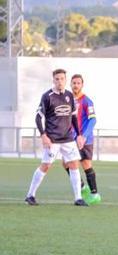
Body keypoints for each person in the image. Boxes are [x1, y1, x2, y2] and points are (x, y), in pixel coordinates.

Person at [25, 68, 86, 207]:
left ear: (66, 80)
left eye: (62, 79)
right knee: (45, 166)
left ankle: (78, 198)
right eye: (57, 79)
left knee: (74, 165)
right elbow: (38, 118)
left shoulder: (70, 96)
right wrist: (43, 135)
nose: (60, 81)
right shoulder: (47, 96)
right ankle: (30, 195)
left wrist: (79, 135)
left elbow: (74, 117)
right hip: (53, 139)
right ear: (53, 80)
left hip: (68, 139)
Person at [70, 74, 101, 204]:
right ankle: (82, 187)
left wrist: (83, 136)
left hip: (84, 139)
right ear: (70, 84)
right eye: (74, 83)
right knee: (67, 163)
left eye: (78, 83)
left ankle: (94, 194)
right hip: (70, 139)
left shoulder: (87, 101)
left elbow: (93, 119)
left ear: (82, 85)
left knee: (86, 164)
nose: (76, 85)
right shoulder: (68, 99)